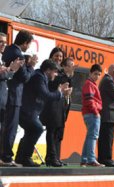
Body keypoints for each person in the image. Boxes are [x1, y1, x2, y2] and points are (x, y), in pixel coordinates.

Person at [15, 59, 71, 167]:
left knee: (31, 131)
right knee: (37, 129)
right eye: (54, 71)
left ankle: (21, 157)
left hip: (29, 110)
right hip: (27, 110)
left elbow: (48, 91)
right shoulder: (39, 77)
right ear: (48, 70)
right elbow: (46, 95)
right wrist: (60, 93)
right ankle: (25, 157)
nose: (55, 74)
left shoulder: (41, 76)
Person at [0, 30, 36, 167]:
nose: (28, 47)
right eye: (29, 44)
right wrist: (31, 66)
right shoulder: (17, 54)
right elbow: (25, 77)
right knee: (10, 128)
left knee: (6, 127)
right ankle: (7, 157)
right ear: (25, 43)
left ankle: (5, 156)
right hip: (13, 96)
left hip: (7, 94)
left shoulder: (8, 51)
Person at [41, 52, 75, 167]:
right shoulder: (54, 73)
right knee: (52, 132)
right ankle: (51, 157)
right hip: (52, 106)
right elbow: (56, 82)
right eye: (70, 65)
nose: (59, 58)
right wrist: (67, 74)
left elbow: (68, 87)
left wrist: (69, 76)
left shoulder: (65, 75)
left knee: (58, 133)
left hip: (62, 107)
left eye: (61, 56)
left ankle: (55, 157)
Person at [0, 32, 23, 155]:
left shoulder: (2, 58)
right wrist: (11, 70)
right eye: (1, 42)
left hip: (4, 101)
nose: (3, 44)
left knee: (4, 130)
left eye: (5, 42)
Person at [80, 64, 104, 167]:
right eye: (95, 74)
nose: (97, 76)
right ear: (90, 73)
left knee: (90, 136)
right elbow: (90, 100)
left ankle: (84, 159)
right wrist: (96, 112)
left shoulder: (91, 84)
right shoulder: (89, 84)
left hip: (89, 113)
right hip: (92, 113)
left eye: (99, 74)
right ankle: (91, 159)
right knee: (93, 136)